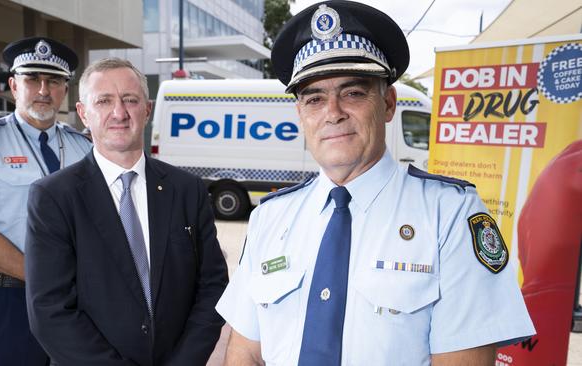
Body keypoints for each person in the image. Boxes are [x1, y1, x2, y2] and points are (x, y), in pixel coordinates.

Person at [215, 1, 535, 365]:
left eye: (352, 93)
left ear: (387, 103)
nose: (332, 113)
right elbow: (245, 352)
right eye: (314, 99)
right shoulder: (269, 218)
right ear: (300, 115)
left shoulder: (450, 214)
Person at [24, 57, 229, 365]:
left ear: (146, 110)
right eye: (104, 101)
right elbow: (50, 311)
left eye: (129, 100)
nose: (119, 113)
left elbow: (213, 287)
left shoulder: (187, 190)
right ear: (83, 113)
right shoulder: (53, 197)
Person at [0, 37, 92, 365]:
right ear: (14, 86)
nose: (44, 89)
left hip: (77, 298)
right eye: (33, 80)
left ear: (65, 90)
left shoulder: (83, 147)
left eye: (54, 81)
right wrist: (47, 278)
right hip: (10, 297)